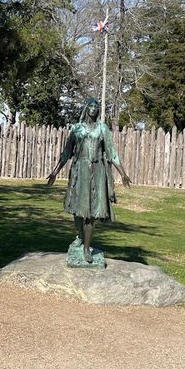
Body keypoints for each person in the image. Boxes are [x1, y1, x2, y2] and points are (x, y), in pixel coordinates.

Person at [47, 97, 131, 264]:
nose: (93, 108)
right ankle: (79, 235)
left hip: (97, 171)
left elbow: (112, 152)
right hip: (80, 171)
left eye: (96, 106)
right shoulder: (77, 129)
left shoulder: (102, 128)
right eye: (90, 106)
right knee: (78, 209)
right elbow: (66, 153)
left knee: (92, 213)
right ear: (86, 108)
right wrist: (55, 172)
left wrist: (123, 173)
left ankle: (86, 247)